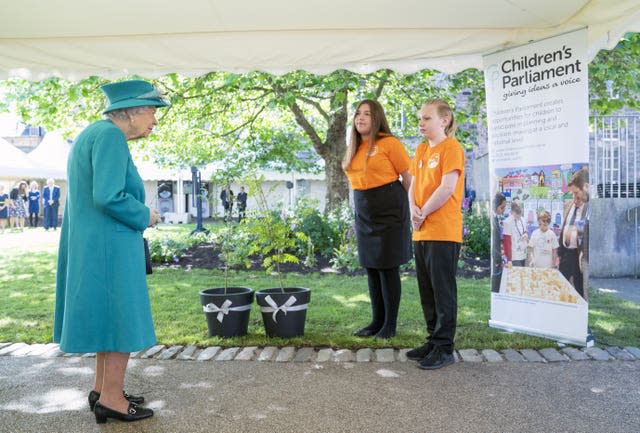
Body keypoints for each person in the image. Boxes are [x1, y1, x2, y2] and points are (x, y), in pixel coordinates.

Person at [54, 79, 166, 424]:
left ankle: (103, 389)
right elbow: (108, 195)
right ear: (131, 112)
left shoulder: (95, 133)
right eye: (152, 111)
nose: (155, 120)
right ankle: (112, 400)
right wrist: (144, 214)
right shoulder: (111, 137)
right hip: (110, 245)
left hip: (96, 243)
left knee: (108, 317)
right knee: (120, 318)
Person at [343, 99, 412, 339]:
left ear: (377, 118)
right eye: (358, 114)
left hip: (389, 210)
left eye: (367, 114)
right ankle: (376, 321)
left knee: (387, 268)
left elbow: (408, 177)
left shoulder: (389, 143)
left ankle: (389, 326)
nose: (360, 118)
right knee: (372, 267)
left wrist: (406, 207)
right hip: (364, 212)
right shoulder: (353, 146)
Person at [406, 99, 464, 370]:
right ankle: (432, 339)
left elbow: (447, 187)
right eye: (420, 118)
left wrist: (423, 212)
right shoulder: (419, 150)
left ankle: (444, 348)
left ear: (444, 120)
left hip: (443, 230)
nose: (421, 122)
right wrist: (413, 213)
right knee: (427, 291)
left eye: (427, 118)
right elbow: (412, 187)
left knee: (443, 292)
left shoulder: (451, 148)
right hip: (422, 231)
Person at [558, 167, 589, 299]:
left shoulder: (587, 208)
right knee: (560, 284)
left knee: (579, 287)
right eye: (572, 194)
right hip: (565, 253)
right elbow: (564, 226)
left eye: (576, 193)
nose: (574, 197)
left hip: (578, 254)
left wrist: (582, 253)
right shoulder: (569, 205)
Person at [502, 200, 528, 267]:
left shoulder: (523, 220)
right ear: (512, 211)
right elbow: (507, 242)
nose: (519, 216)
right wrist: (509, 259)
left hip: (523, 253)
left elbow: (525, 231)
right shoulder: (507, 222)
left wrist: (525, 234)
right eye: (517, 213)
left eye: (520, 213)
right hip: (514, 256)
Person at [491, 192, 507, 292]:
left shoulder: (496, 218)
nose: (504, 210)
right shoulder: (492, 219)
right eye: (502, 207)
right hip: (495, 260)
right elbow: (494, 243)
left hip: (497, 259)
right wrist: (498, 259)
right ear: (495, 206)